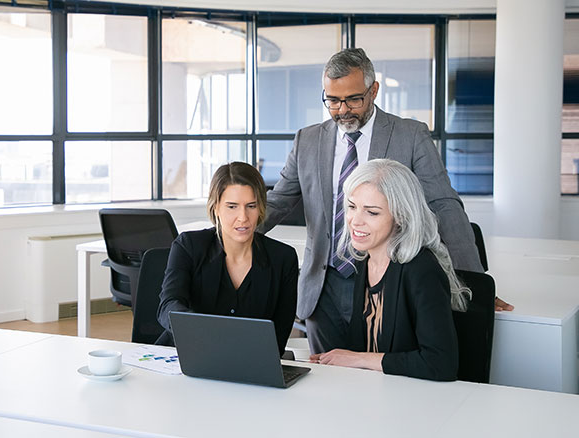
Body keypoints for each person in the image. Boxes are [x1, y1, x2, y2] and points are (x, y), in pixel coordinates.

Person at [258, 47, 512, 355]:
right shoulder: (307, 139)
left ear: (374, 90)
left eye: (353, 99)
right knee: (329, 380)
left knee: (385, 378)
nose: (342, 110)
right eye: (332, 100)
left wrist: (474, 282)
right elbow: (279, 201)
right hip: (324, 287)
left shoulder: (410, 135)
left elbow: (444, 204)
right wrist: (233, 230)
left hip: (388, 282)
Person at [311, 159, 463, 381]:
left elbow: (441, 363)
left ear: (400, 217)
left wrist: (358, 359)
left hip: (416, 400)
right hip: (377, 391)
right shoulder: (365, 260)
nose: (355, 221)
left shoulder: (421, 270)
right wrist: (335, 360)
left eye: (372, 212)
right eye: (352, 207)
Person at [156, 162, 298, 354]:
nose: (243, 217)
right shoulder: (188, 246)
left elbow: (278, 337)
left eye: (251, 206)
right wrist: (199, 329)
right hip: (185, 355)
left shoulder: (283, 259)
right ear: (216, 207)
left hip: (249, 363)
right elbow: (168, 305)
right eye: (232, 206)